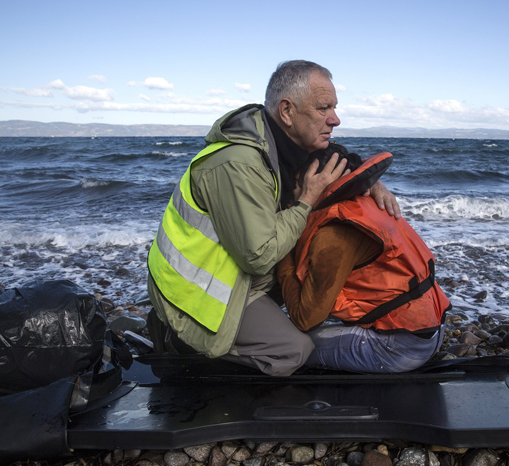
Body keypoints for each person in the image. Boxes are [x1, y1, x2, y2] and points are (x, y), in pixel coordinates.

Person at [146, 60, 400, 377]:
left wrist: (371, 185)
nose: (335, 119)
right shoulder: (238, 164)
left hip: (235, 272)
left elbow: (341, 160)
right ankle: (178, 340)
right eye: (323, 108)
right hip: (195, 291)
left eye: (334, 107)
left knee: (315, 273)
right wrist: (307, 199)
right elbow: (260, 257)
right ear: (287, 112)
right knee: (295, 351)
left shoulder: (288, 143)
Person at [277, 144, 452, 373]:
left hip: (398, 346)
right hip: (428, 330)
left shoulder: (333, 235)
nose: (292, 194)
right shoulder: (362, 202)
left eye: (299, 183)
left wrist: (284, 252)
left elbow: (305, 319)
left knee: (288, 346)